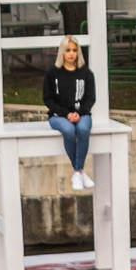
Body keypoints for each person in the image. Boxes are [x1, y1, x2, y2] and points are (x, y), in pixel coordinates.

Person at [44, 38, 98, 191]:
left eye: (74, 50)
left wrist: (78, 113)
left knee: (82, 129)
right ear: (62, 52)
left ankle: (77, 172)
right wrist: (66, 114)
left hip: (82, 114)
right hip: (58, 116)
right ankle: (80, 171)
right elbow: (48, 99)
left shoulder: (86, 73)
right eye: (68, 50)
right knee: (68, 130)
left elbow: (90, 98)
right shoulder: (52, 73)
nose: (71, 54)